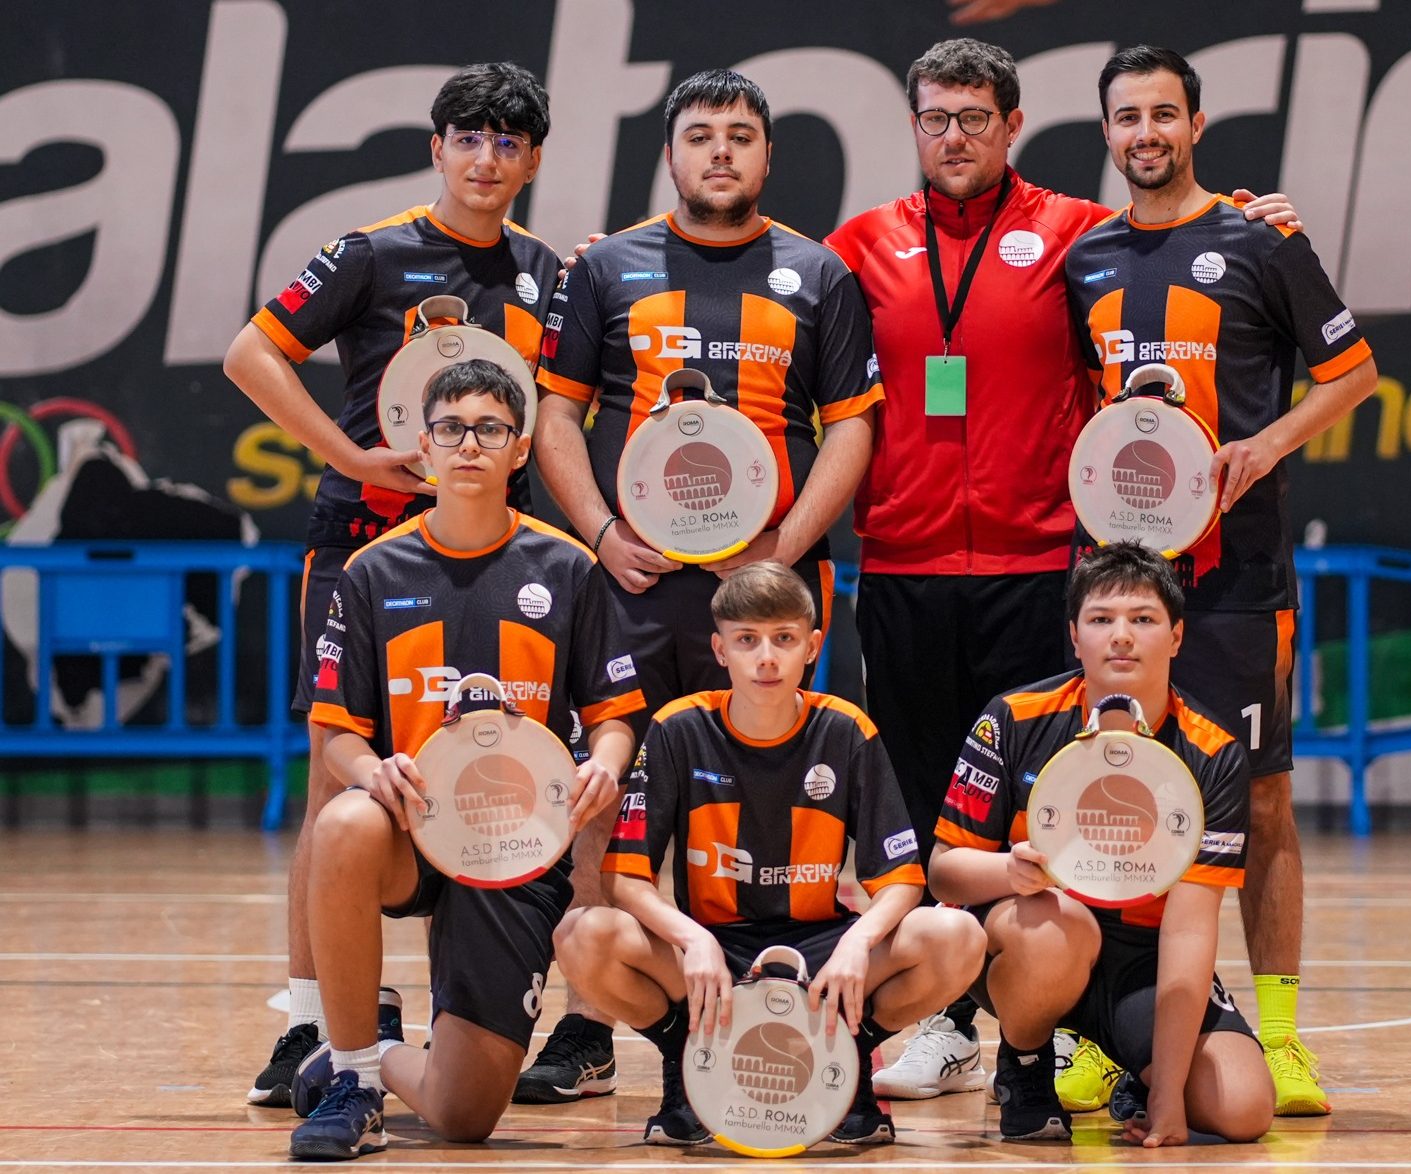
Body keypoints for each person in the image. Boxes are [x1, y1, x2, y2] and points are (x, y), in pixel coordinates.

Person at [823, 36, 1300, 1110]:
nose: (955, 137)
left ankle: (1069, 1025)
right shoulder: (860, 245)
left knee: (1055, 802)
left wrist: (1251, 221)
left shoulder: (1079, 234)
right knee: (922, 800)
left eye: (975, 118)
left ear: (1013, 126)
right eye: (936, 118)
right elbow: (757, 265)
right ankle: (946, 1025)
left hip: (1039, 560)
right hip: (902, 562)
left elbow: (1171, 232)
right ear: (913, 126)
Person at [221, 62, 627, 1106]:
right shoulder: (371, 252)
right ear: (437, 148)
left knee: (554, 764)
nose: (486, 159)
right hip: (369, 544)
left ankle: (573, 1020)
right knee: (339, 781)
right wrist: (351, 455)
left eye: (507, 143)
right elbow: (252, 353)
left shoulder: (548, 272)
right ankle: (314, 1023)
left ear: (532, 162)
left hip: (505, 556)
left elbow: (573, 397)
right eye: (469, 139)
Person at [1064, 44, 1381, 1116]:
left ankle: (1280, 1038)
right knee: (1109, 785)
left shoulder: (1260, 239)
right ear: (1106, 133)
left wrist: (1265, 446)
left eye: (1164, 113)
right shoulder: (1087, 258)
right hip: (1117, 581)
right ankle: (1101, 1032)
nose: (1145, 133)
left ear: (1195, 125)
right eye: (1127, 117)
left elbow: (1354, 372)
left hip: (1238, 575)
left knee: (1264, 796)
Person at [284, 359, 644, 1160]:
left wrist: (606, 764)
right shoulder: (373, 571)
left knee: (463, 1115)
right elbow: (338, 732)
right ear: (424, 446)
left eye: (489, 429)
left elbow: (614, 715)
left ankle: (374, 1048)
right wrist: (372, 772)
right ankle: (352, 1080)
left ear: (519, 449)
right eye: (451, 429)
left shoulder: (568, 569)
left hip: (513, 845)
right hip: (412, 829)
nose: (469, 445)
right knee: (343, 821)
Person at [553, 562, 986, 1146]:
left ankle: (848, 1057)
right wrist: (691, 939)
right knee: (583, 934)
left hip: (821, 948)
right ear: (720, 649)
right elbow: (624, 879)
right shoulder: (677, 728)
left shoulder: (846, 729)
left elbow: (902, 879)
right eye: (747, 640)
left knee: (957, 936)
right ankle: (687, 1062)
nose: (766, 658)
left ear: (812, 647)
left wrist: (858, 943)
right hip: (713, 946)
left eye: (783, 639)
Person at [535, 68, 880, 718]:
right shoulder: (603, 268)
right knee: (617, 767)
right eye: (700, 137)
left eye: (740, 137)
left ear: (768, 156)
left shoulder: (821, 273)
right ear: (670, 155)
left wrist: (785, 547)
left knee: (759, 768)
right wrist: (602, 534)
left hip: (772, 578)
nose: (721, 151)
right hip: (628, 576)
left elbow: (852, 426)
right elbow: (555, 415)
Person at [929, 542, 1274, 1145]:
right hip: (1036, 934)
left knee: (1243, 1110)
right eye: (1100, 619)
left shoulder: (1214, 754)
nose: (1121, 636)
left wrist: (1169, 1096)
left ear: (1176, 636)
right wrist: (1012, 872)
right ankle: (1026, 1064)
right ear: (1074, 635)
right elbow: (943, 872)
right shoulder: (1013, 717)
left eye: (1143, 619)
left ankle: (1137, 1078)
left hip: (1143, 960)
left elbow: (1189, 928)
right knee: (1058, 929)